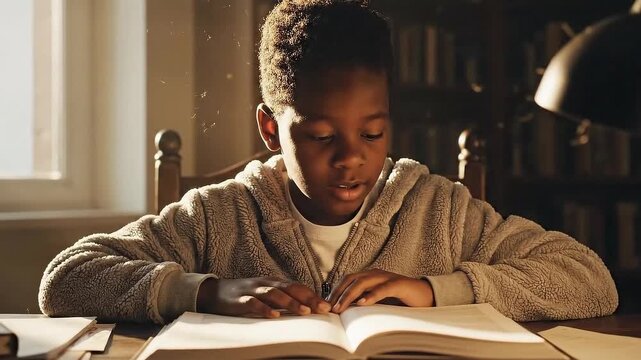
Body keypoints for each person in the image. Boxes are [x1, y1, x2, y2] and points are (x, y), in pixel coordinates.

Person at [38, 0, 617, 324]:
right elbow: (65, 280)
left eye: (373, 132)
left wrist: (437, 288)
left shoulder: (439, 211)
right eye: (319, 137)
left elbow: (590, 281)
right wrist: (203, 290)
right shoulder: (218, 217)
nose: (352, 159)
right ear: (270, 128)